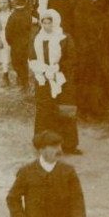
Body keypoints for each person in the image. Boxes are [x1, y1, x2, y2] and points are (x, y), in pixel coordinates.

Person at [29, 8, 80, 155]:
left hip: (61, 80)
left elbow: (72, 58)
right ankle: (44, 145)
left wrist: (58, 68)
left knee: (65, 112)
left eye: (49, 23)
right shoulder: (37, 38)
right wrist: (42, 71)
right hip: (43, 80)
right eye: (44, 23)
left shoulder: (64, 38)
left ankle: (69, 145)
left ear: (55, 22)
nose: (46, 26)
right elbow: (31, 57)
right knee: (44, 113)